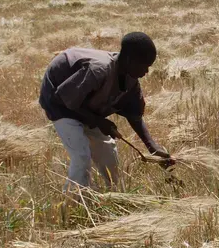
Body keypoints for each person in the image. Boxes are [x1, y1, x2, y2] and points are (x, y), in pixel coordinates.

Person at [39, 31, 171, 192]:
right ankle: (73, 201)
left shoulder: (131, 81)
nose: (147, 71)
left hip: (86, 106)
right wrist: (99, 121)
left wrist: (152, 146)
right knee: (81, 156)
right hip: (59, 101)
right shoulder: (98, 70)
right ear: (129, 60)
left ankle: (116, 195)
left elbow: (134, 116)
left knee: (109, 157)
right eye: (144, 65)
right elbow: (65, 98)